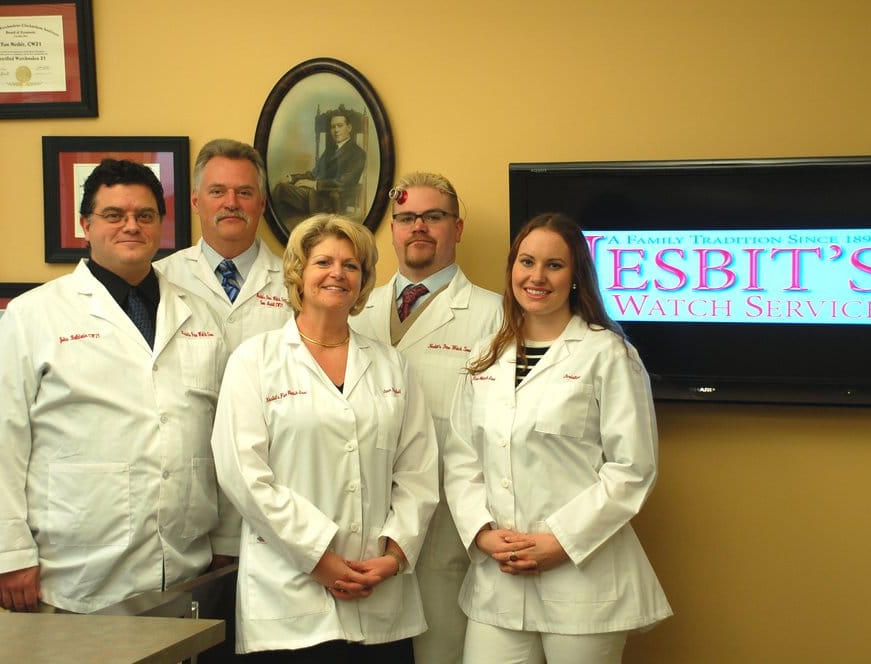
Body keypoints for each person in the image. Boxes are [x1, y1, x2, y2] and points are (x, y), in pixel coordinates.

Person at [0, 159, 233, 614]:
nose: (131, 226)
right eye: (114, 215)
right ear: (85, 225)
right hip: (72, 574)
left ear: (161, 225)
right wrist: (8, 554)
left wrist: (226, 539)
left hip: (185, 568)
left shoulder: (201, 316)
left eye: (145, 215)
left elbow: (224, 438)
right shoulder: (33, 315)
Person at [444, 213, 672, 664]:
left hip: (582, 582)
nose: (537, 277)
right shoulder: (485, 356)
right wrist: (482, 532)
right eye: (527, 262)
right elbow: (462, 456)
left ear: (575, 276)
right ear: (512, 269)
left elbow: (632, 469)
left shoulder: (608, 354)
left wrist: (561, 541)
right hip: (500, 582)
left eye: (554, 265)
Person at [210, 214, 439, 661]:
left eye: (351, 265)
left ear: (363, 281)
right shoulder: (255, 360)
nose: (338, 273)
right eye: (323, 262)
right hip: (289, 597)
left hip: (379, 591)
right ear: (299, 272)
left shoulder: (392, 366)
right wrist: (319, 558)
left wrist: (394, 555)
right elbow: (244, 474)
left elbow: (418, 470)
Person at [351, 172, 502, 664]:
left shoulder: (496, 316)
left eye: (433, 216)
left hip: (446, 531)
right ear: (392, 230)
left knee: (441, 653)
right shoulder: (354, 309)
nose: (418, 227)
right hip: (364, 529)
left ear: (457, 228)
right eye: (406, 217)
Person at [156, 138, 292, 350]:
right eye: (217, 191)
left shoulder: (295, 282)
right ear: (195, 202)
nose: (231, 203)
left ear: (262, 203)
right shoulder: (161, 278)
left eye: (244, 192)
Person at [271, 111, 366, 221]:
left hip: (333, 200)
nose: (336, 130)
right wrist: (292, 178)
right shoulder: (330, 151)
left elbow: (343, 182)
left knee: (282, 192)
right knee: (282, 188)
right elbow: (314, 174)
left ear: (349, 128)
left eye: (340, 126)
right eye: (333, 127)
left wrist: (315, 184)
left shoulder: (358, 153)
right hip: (314, 195)